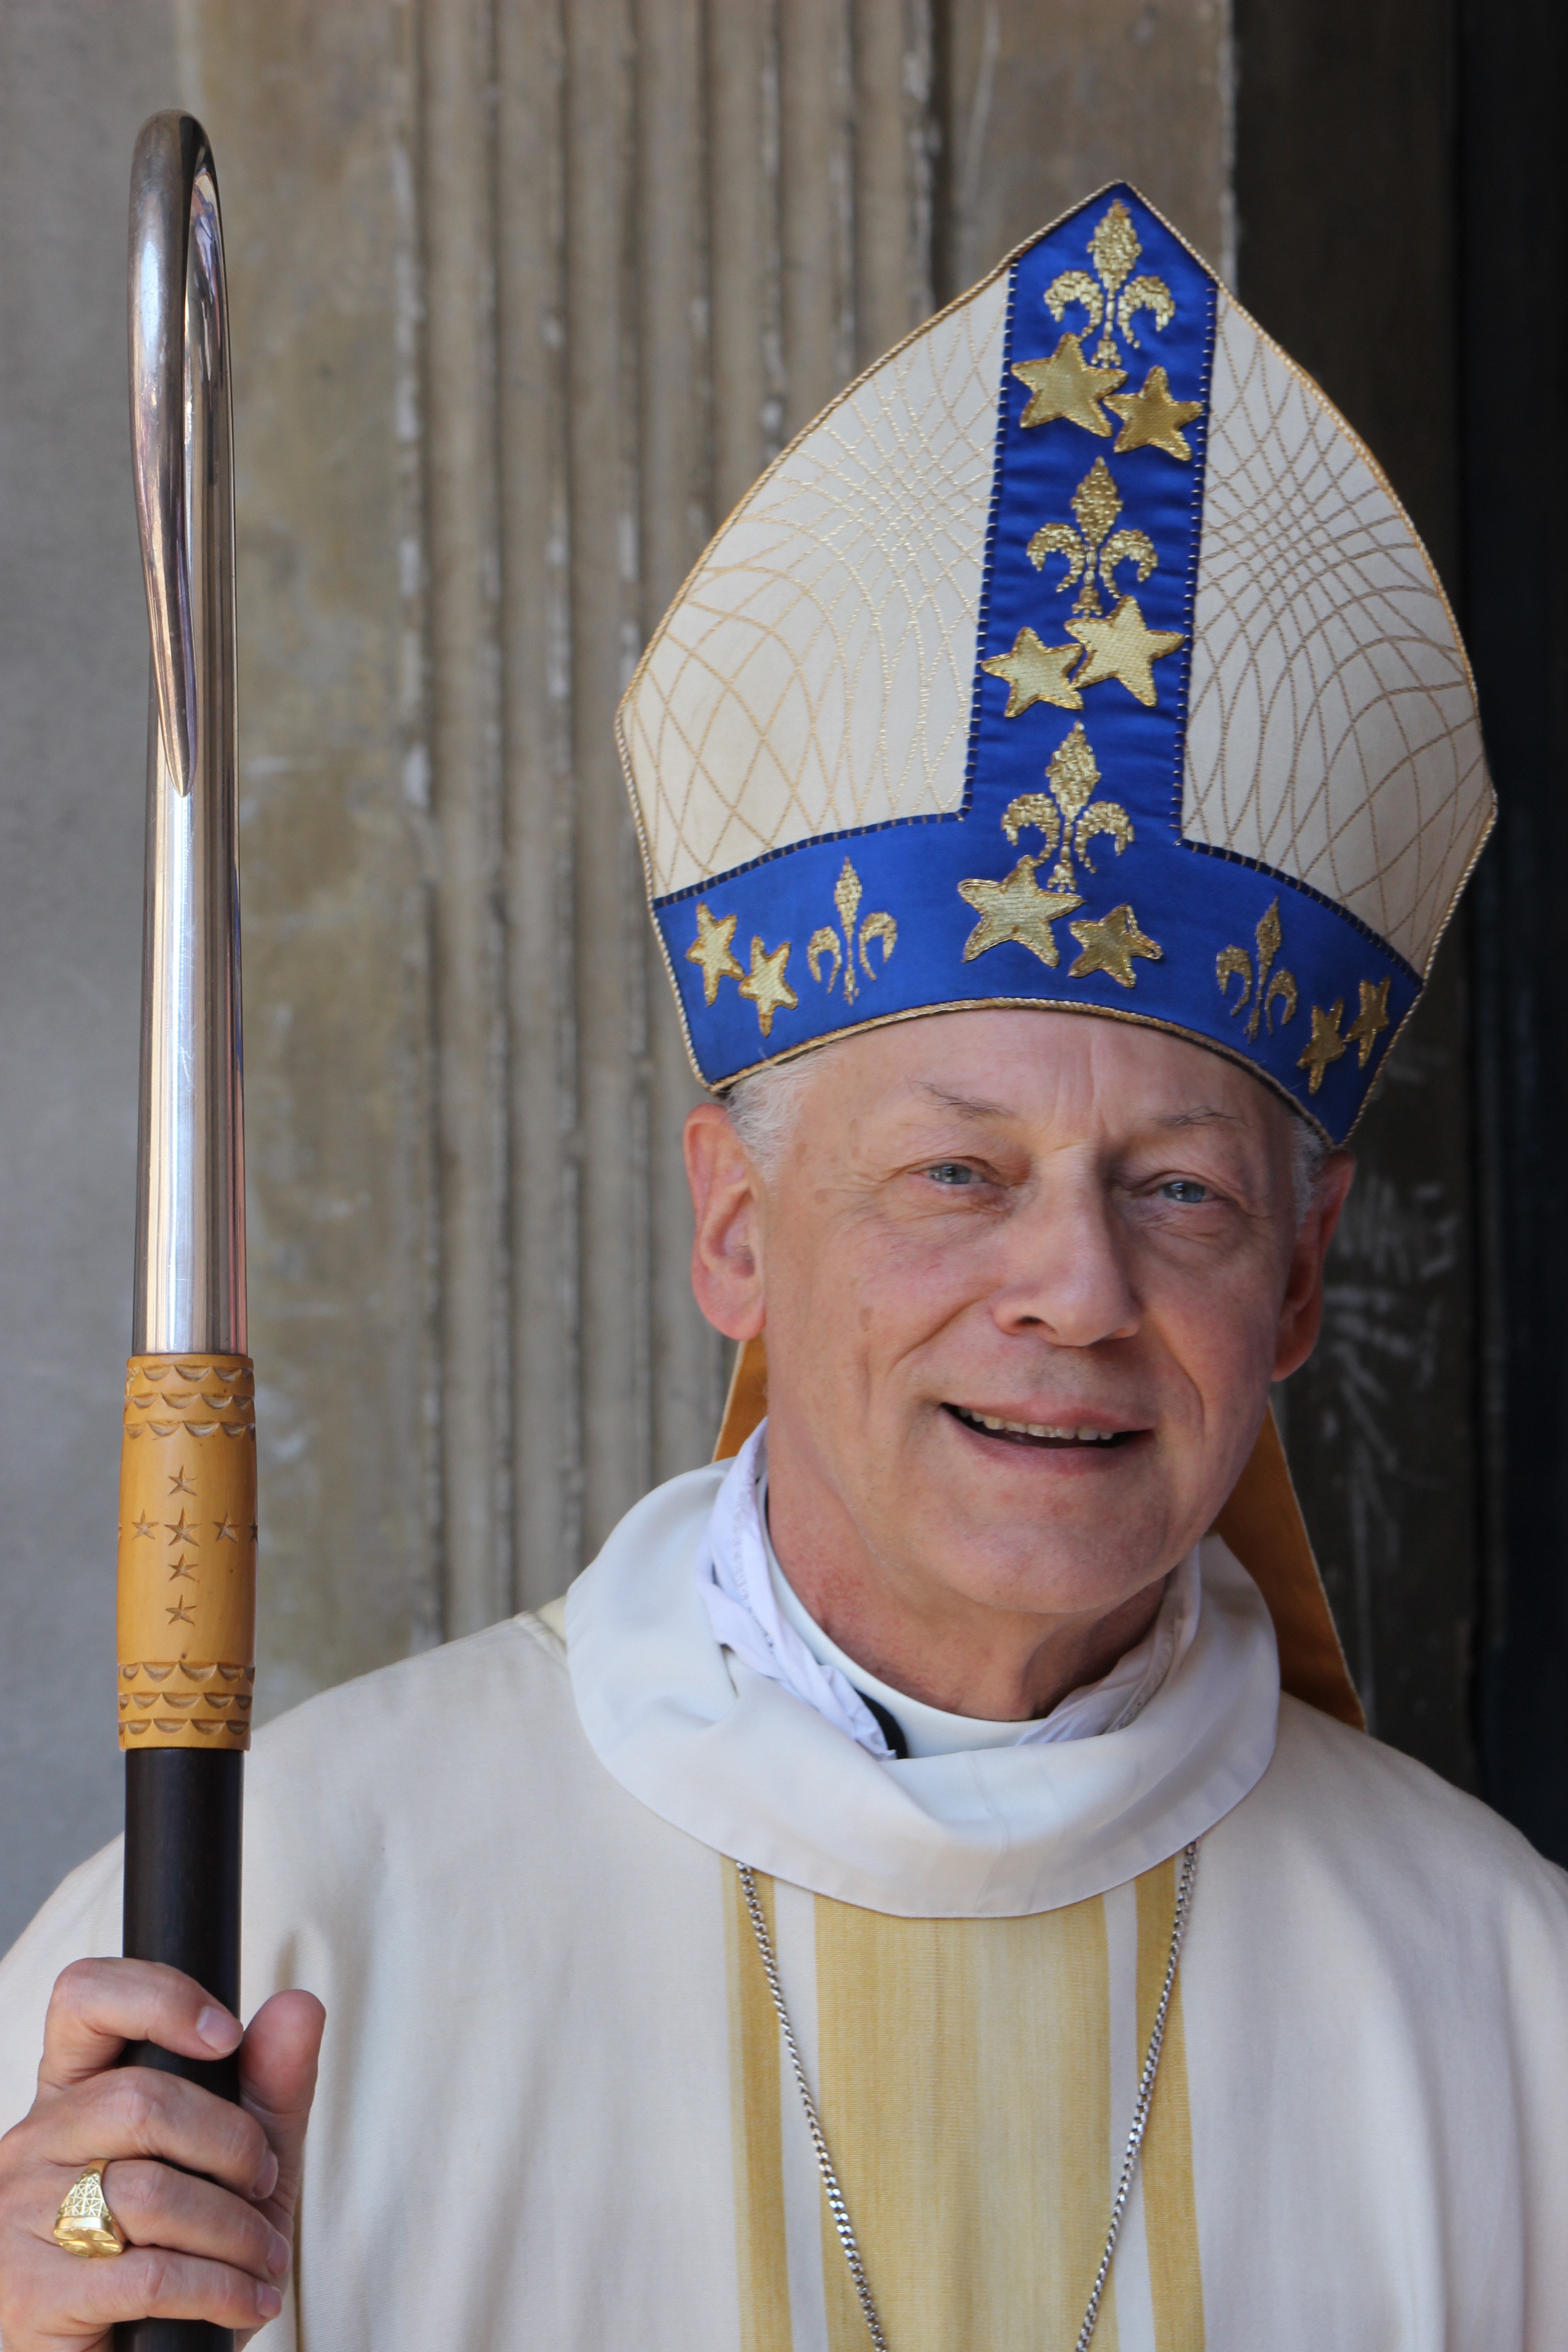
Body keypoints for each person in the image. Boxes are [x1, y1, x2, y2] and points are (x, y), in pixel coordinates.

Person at [1, 182, 1563, 2352]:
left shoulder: (1506, 2009)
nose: (1074, 1289)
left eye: (1180, 1194)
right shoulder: (273, 1933)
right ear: (735, 1228)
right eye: (956, 1174)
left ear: (1299, 1284)